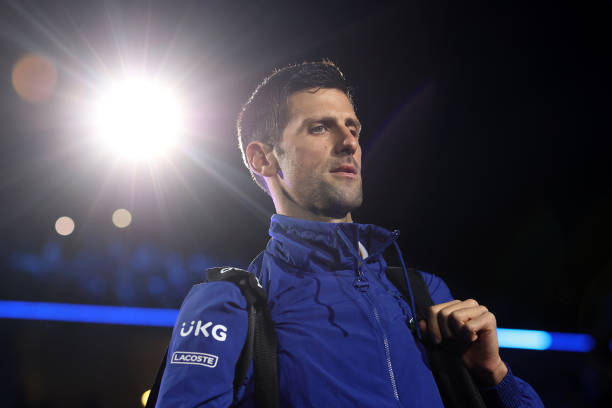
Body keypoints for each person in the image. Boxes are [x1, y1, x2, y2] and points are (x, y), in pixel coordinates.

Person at [155, 61, 544, 407]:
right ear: (263, 158)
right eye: (320, 128)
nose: (350, 143)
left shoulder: (425, 294)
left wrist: (494, 374)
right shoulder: (228, 305)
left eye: (352, 127)